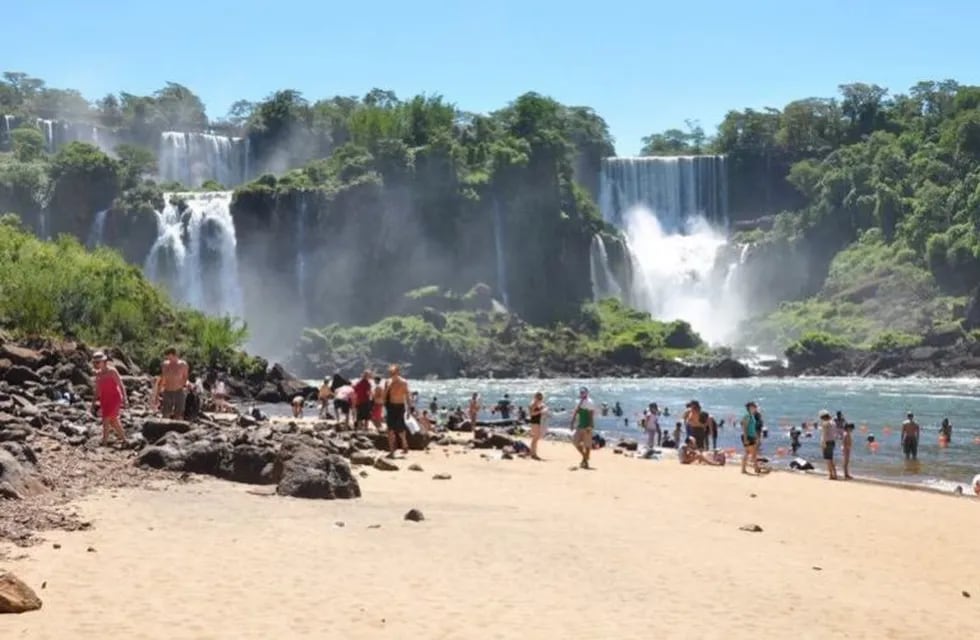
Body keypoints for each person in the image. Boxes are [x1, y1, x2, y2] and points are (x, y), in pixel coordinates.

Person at [91, 351, 127, 446]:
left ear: (104, 362)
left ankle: (104, 442)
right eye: (94, 362)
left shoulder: (112, 371)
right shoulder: (98, 374)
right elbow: (98, 390)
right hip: (104, 399)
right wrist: (93, 403)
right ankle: (125, 440)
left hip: (115, 398)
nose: (96, 364)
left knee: (106, 419)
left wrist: (125, 399)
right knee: (113, 420)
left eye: (98, 362)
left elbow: (121, 385)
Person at [153, 346, 189, 420]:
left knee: (179, 413)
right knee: (165, 413)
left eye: (170, 357)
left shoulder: (183, 365)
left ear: (175, 355)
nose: (168, 359)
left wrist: (183, 386)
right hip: (167, 391)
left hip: (179, 391)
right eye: (167, 357)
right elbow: (162, 379)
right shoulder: (165, 365)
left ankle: (178, 429)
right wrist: (157, 394)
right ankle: (164, 429)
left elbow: (185, 377)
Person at [385, 364, 410, 456]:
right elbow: (384, 397)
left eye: (393, 372)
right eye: (390, 373)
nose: (392, 374)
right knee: (390, 429)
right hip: (391, 407)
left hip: (400, 406)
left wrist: (409, 409)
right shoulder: (388, 382)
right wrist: (388, 387)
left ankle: (404, 443)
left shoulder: (403, 382)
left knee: (400, 428)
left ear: (398, 372)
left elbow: (407, 395)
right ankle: (392, 451)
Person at [569, 386, 596, 469]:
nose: (582, 394)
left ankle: (585, 462)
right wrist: (572, 422)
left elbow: (591, 415)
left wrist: (590, 426)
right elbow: (575, 412)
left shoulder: (590, 402)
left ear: (587, 393)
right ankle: (585, 457)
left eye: (583, 392)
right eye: (581, 392)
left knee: (587, 445)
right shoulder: (578, 401)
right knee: (575, 441)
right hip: (580, 426)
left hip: (587, 426)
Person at [741, 402, 760, 475]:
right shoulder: (747, 416)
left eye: (755, 407)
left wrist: (755, 436)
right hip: (748, 436)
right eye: (754, 407)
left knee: (747, 452)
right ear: (750, 408)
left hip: (751, 436)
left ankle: (744, 469)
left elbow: (752, 428)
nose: (755, 408)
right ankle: (756, 468)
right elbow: (744, 427)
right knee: (753, 453)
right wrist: (746, 439)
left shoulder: (752, 416)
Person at [819, 409, 838, 480]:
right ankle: (835, 474)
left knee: (828, 460)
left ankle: (830, 475)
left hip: (827, 442)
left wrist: (823, 443)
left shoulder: (825, 423)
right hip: (832, 441)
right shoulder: (833, 422)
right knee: (831, 459)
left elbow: (824, 434)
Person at [528, 392, 547, 460]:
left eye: (541, 398)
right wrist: (540, 411)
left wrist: (543, 411)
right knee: (535, 438)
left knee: (536, 438)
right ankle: (533, 454)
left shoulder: (538, 404)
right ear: (535, 397)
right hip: (534, 422)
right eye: (539, 398)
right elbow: (531, 414)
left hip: (538, 422)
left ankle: (533, 453)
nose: (540, 399)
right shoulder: (532, 404)